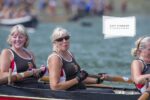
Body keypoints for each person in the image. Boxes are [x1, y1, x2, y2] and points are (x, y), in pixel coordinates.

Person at [47, 27, 114, 93]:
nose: (64, 41)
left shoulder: (70, 54)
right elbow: (54, 87)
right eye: (60, 39)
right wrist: (77, 79)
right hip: (69, 94)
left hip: (80, 91)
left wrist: (98, 80)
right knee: (109, 92)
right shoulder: (55, 58)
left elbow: (80, 78)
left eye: (66, 38)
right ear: (55, 43)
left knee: (109, 91)